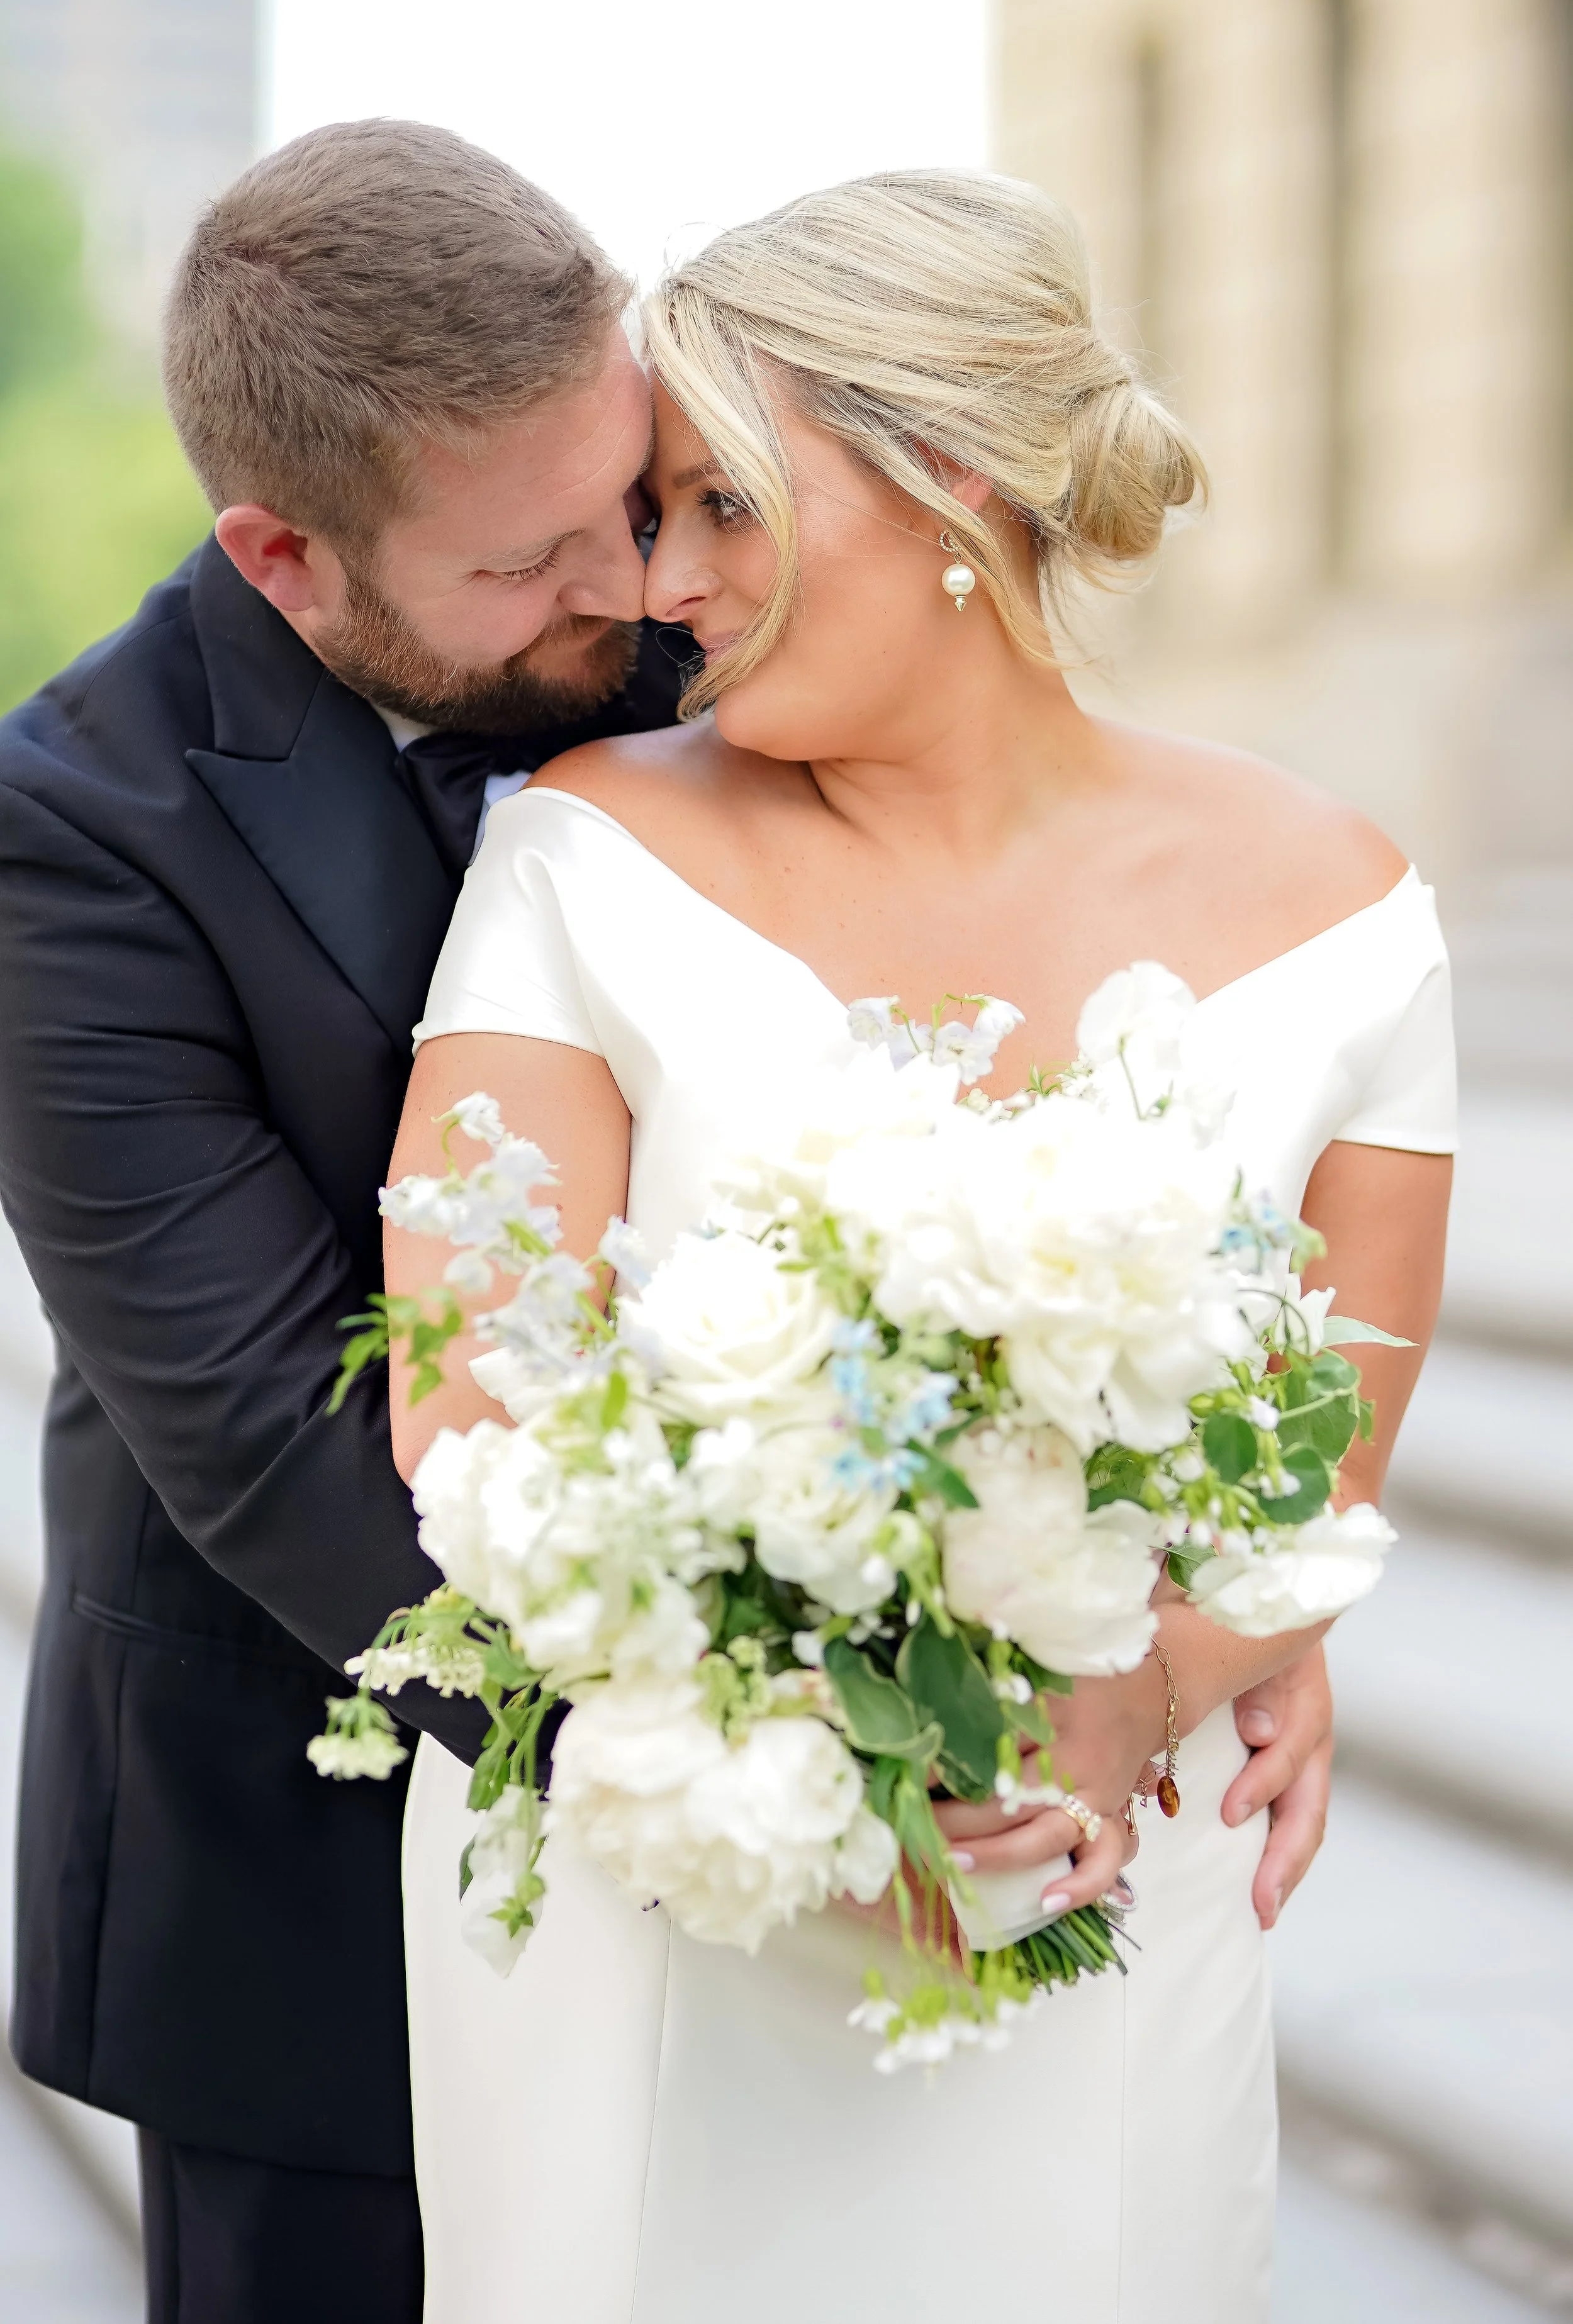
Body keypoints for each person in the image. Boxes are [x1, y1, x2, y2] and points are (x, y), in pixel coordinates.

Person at [388, 172, 1454, 2322]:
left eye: (724, 506)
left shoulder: (1347, 918)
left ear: (949, 475)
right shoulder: (581, 854)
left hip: (1100, 1874)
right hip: (673, 1871)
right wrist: (820, 1748)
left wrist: (1152, 1685)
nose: (666, 585)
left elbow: (1320, 1473)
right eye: (656, 519)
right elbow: (470, 1399)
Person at [0, 120, 690, 2323]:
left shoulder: (697, 621)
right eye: (528, 561)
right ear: (285, 556)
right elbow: (261, 1429)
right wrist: (743, 1753)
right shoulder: (68, 831)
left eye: (629, 499)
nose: (630, 592)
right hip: (301, 1850)